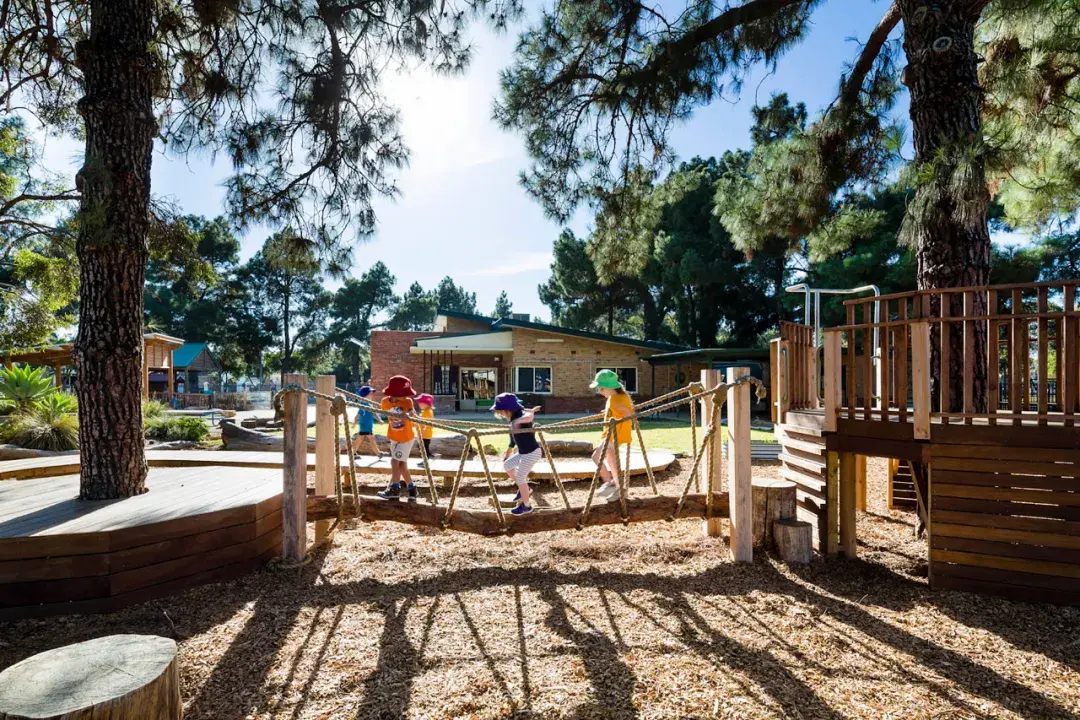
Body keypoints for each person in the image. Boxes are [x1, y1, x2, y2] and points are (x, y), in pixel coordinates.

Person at [492, 393, 542, 516]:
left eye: (501, 412)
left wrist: (525, 416)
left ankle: (526, 506)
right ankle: (525, 489)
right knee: (508, 465)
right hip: (523, 452)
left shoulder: (518, 418)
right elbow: (524, 410)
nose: (501, 415)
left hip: (531, 453)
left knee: (520, 477)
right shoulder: (515, 416)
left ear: (508, 410)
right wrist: (508, 453)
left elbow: (529, 417)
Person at [590, 369, 634, 501]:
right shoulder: (615, 397)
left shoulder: (616, 400)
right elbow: (620, 409)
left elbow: (629, 414)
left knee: (599, 458)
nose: (600, 391)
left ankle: (615, 485)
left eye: (601, 389)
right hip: (610, 435)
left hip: (615, 435)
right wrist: (608, 411)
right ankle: (613, 483)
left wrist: (624, 412)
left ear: (610, 388)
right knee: (602, 458)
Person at [377, 375, 419, 501]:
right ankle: (412, 489)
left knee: (394, 461)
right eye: (403, 393)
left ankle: (395, 489)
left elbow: (412, 413)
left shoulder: (408, 401)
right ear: (394, 393)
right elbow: (387, 412)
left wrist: (412, 414)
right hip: (394, 437)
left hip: (406, 438)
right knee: (402, 466)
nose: (406, 396)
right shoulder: (384, 402)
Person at [351, 385, 384, 457]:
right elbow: (357, 415)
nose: (372, 395)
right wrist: (354, 423)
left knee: (360, 439)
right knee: (371, 438)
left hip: (368, 425)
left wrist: (379, 420)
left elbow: (374, 413)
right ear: (365, 395)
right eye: (371, 393)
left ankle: (353, 453)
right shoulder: (363, 405)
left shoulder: (369, 404)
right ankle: (378, 453)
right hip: (364, 425)